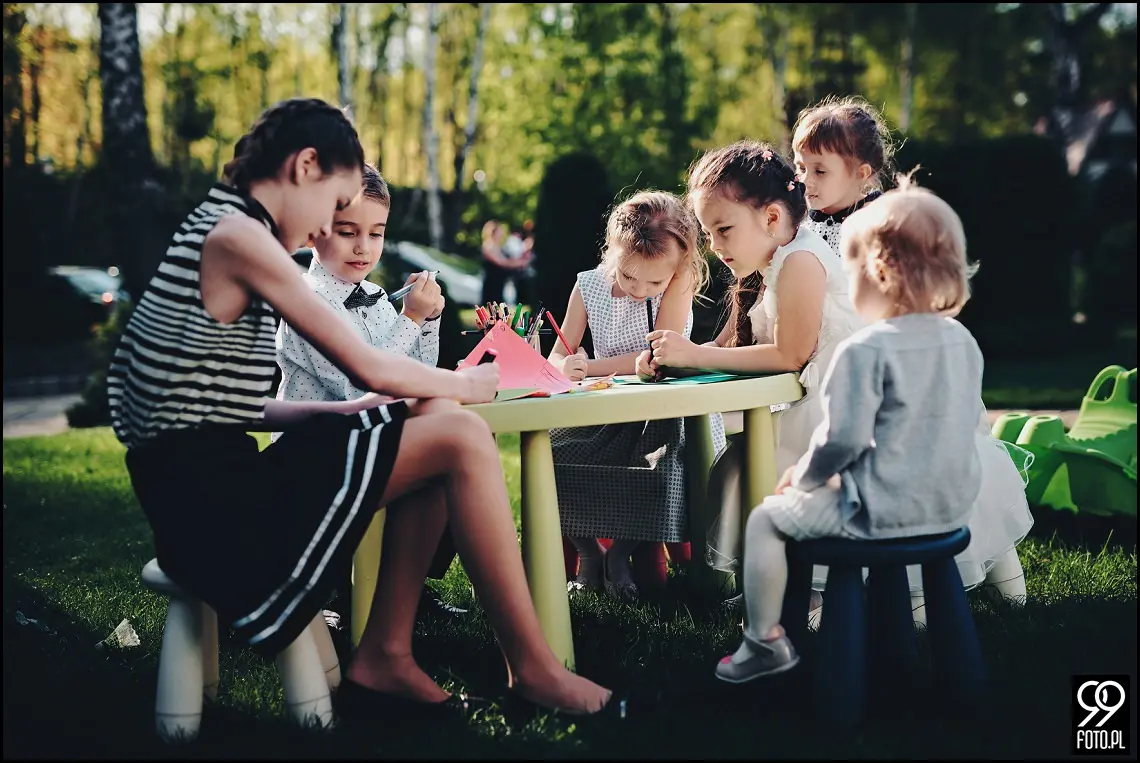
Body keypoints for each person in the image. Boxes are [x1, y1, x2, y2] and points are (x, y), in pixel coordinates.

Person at [106, 97, 612, 719]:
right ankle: (532, 670)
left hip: (209, 483)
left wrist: (338, 416)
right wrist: (469, 384)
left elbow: (232, 408)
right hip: (212, 509)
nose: (326, 227)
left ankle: (386, 656)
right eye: (334, 203)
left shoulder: (221, 225)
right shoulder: (241, 236)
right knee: (461, 433)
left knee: (435, 421)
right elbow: (365, 367)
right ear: (306, 165)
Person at [714, 178, 990, 683]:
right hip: (949, 506)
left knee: (767, 520)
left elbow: (841, 441)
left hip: (878, 511)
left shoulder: (865, 351)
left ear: (877, 273)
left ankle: (763, 641)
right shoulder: (962, 341)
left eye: (850, 268)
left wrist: (805, 476)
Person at [792, 96, 1033, 624]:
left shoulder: (884, 227)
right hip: (852, 358)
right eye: (800, 166)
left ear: (862, 173)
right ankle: (989, 583)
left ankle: (922, 591)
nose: (805, 180)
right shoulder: (805, 228)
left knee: (923, 454)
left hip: (889, 356)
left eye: (819, 169)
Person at [637, 141, 864, 614]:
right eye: (708, 233)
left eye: (723, 230)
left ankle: (811, 593)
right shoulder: (771, 264)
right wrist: (672, 357)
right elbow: (725, 351)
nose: (715, 247)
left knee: (773, 474)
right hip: (801, 406)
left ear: (772, 218)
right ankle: (773, 579)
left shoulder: (801, 259)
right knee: (738, 468)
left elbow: (791, 353)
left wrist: (696, 357)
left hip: (835, 415)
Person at [275, 162, 466, 620]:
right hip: (318, 452)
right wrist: (412, 319)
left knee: (449, 462)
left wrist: (430, 320)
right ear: (313, 233)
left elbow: (416, 372)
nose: (364, 247)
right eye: (347, 231)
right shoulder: (305, 303)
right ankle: (343, 596)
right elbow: (362, 383)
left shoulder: (377, 296)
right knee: (443, 454)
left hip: (371, 439)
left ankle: (405, 588)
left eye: (376, 233)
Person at [549, 190, 726, 603]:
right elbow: (560, 351)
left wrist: (589, 365)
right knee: (555, 457)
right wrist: (563, 365)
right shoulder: (587, 286)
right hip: (602, 409)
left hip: (661, 413)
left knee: (658, 466)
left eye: (653, 282)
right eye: (628, 277)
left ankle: (622, 553)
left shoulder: (677, 283)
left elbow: (659, 353)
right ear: (611, 253)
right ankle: (589, 552)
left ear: (678, 267)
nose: (639, 289)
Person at [480, 219, 532, 305]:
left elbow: (508, 260)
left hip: (499, 283)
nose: (501, 234)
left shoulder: (500, 247)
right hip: (491, 283)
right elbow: (502, 263)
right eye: (499, 232)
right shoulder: (488, 246)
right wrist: (521, 263)